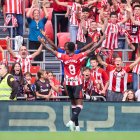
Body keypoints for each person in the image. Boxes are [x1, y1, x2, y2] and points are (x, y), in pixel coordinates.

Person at [38, 35, 105, 131]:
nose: (64, 49)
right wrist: (101, 40)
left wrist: (42, 42)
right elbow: (92, 49)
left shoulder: (64, 57)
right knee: (80, 105)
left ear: (68, 50)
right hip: (77, 83)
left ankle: (76, 126)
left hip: (68, 83)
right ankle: (71, 120)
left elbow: (51, 50)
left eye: (65, 48)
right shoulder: (79, 56)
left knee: (73, 105)